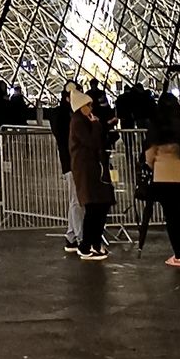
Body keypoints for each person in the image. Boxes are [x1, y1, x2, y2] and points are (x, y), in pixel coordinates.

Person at [143, 89, 180, 268]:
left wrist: (151, 165)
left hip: (163, 175)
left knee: (171, 216)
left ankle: (178, 255)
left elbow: (150, 154)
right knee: (176, 212)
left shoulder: (157, 125)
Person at [68, 88, 113, 260]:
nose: (91, 108)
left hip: (93, 169)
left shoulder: (83, 120)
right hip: (87, 170)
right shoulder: (79, 123)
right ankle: (87, 245)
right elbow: (92, 142)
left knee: (99, 206)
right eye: (88, 105)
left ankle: (93, 243)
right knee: (94, 207)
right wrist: (96, 125)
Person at [51, 85, 81, 253]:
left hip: (69, 161)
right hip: (72, 161)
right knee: (77, 200)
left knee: (74, 200)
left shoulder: (60, 114)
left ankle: (71, 237)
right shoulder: (67, 116)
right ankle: (80, 237)